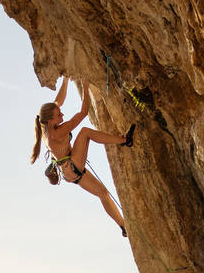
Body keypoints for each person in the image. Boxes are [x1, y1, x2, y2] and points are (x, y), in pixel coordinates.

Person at [30, 77, 135, 236]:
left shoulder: (46, 122)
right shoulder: (56, 133)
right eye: (59, 115)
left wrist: (65, 80)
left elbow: (59, 100)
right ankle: (123, 140)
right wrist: (85, 87)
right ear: (51, 120)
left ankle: (124, 227)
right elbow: (84, 112)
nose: (62, 114)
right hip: (71, 166)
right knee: (85, 131)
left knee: (103, 193)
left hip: (69, 171)